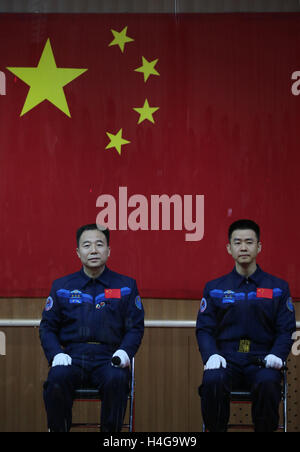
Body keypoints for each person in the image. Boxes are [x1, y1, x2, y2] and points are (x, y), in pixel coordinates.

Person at [39, 224, 144, 432]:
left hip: (109, 357)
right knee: (56, 379)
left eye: (99, 244)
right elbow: (47, 327)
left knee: (117, 380)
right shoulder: (62, 287)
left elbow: (135, 328)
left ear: (108, 250)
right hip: (72, 357)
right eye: (87, 245)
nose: (93, 250)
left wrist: (124, 353)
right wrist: (56, 354)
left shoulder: (126, 286)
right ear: (78, 252)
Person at [196, 219, 296, 432]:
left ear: (258, 247)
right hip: (226, 361)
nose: (243, 247)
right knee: (212, 380)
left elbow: (285, 329)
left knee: (269, 383)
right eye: (238, 242)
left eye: (249, 242)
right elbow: (204, 329)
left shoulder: (278, 287)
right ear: (229, 248)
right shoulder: (214, 288)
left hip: (262, 361)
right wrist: (211, 355)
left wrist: (277, 355)